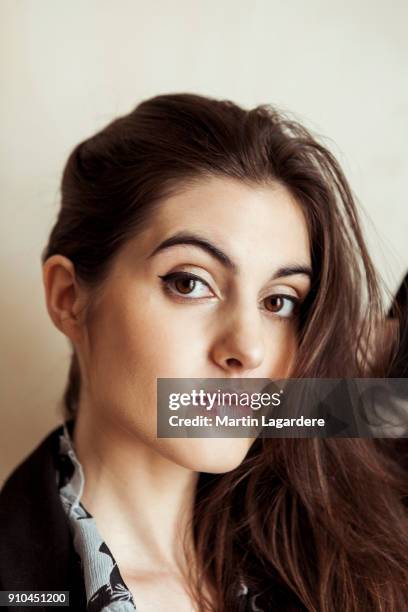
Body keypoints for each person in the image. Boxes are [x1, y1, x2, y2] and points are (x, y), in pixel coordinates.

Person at [1, 93, 407, 612]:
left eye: (279, 301)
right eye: (190, 283)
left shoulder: (325, 538)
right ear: (69, 298)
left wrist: (329, 356)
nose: (248, 349)